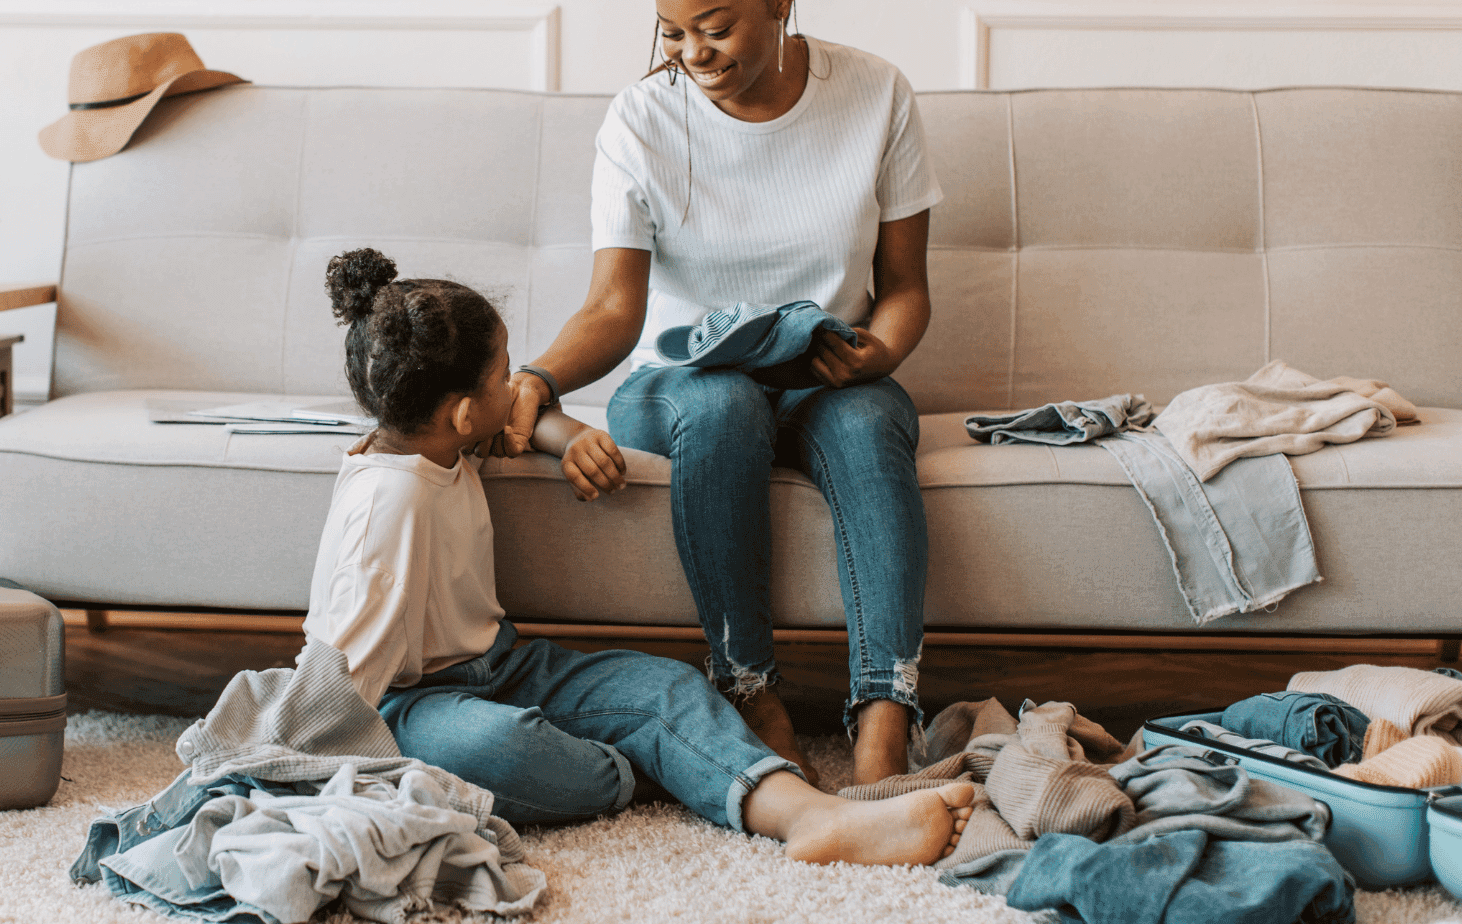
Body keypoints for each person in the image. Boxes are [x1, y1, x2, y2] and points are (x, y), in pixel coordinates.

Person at [496, 0, 943, 787]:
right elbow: (617, 309)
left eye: (716, 28)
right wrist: (538, 379)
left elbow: (904, 287)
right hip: (681, 390)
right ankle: (748, 689)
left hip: (827, 378)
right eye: (671, 33)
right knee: (726, 403)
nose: (692, 55)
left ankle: (884, 720)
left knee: (870, 424)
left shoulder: (877, 96)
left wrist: (878, 354)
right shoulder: (639, 122)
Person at [303, 248, 971, 866]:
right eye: (508, 374)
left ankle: (808, 816)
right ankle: (671, 770)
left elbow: (514, 421)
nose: (520, 385)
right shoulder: (386, 506)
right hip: (410, 705)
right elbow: (340, 686)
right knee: (499, 748)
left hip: (504, 666)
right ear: (464, 411)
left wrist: (565, 435)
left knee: (669, 687)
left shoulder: (435, 439)